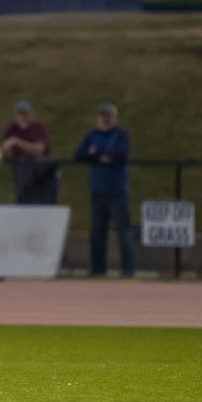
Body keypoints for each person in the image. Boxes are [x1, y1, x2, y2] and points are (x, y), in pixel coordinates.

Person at [74, 103, 134, 278]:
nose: (105, 119)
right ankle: (98, 269)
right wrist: (101, 157)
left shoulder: (121, 135)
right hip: (97, 190)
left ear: (115, 117)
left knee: (123, 231)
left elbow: (119, 156)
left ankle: (128, 269)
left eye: (109, 116)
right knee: (97, 232)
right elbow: (79, 155)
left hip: (117, 191)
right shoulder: (92, 135)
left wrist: (96, 154)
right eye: (103, 116)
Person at [0, 99, 55, 204]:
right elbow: (5, 146)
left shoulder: (39, 128)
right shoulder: (12, 129)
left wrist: (17, 142)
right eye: (20, 113)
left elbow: (39, 149)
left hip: (40, 175)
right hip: (22, 176)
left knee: (43, 207)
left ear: (31, 114)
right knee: (22, 205)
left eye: (26, 113)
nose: (23, 116)